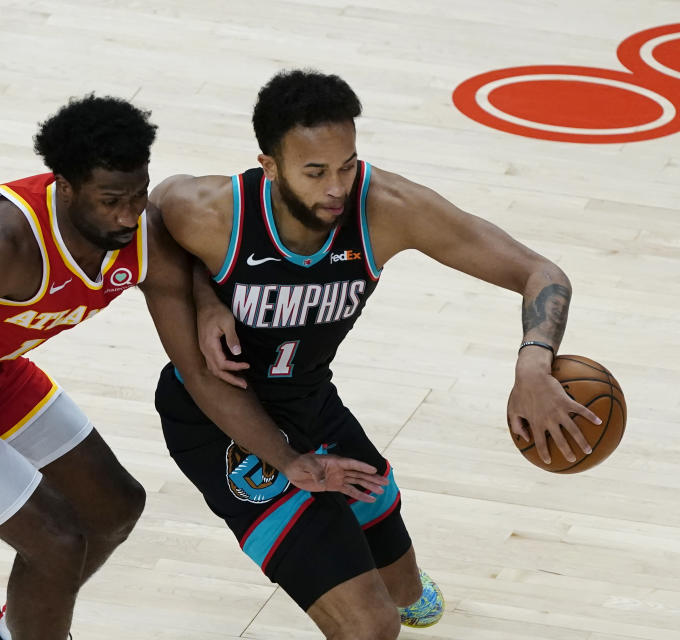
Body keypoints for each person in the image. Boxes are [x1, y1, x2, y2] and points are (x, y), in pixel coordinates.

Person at [0, 93, 376, 640]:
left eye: (138, 195)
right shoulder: (2, 237)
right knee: (56, 543)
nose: (128, 214)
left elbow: (195, 362)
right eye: (111, 200)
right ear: (64, 186)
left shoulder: (140, 234)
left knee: (114, 509)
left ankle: (14, 629)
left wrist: (209, 308)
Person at [150, 69, 602, 640]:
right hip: (220, 421)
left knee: (406, 591)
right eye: (314, 172)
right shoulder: (216, 212)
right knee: (369, 626)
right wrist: (202, 293)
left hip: (310, 399)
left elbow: (541, 272)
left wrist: (534, 359)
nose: (337, 186)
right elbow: (157, 210)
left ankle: (393, 580)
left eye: (347, 164)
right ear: (269, 167)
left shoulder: (384, 207)